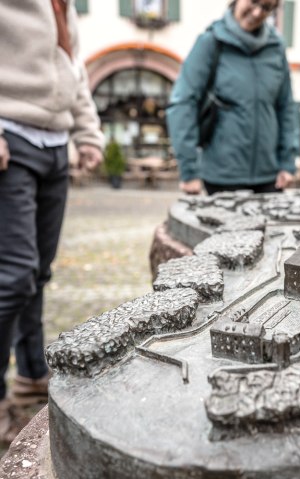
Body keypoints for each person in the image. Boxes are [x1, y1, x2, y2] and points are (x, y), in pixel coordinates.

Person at [0, 0, 104, 444]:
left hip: (54, 145)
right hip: (11, 140)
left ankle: (32, 374)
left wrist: (88, 135)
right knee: (14, 276)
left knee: (38, 273)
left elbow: (73, 72)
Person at [167, 0, 298, 195]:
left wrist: (287, 162)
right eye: (253, 2)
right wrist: (189, 170)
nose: (257, 12)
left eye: (267, 7)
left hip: (269, 178)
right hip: (220, 178)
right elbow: (183, 104)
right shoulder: (210, 42)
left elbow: (285, 106)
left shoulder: (276, 47)